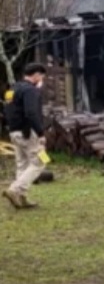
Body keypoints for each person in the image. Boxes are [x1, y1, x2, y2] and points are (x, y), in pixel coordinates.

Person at [4, 63, 48, 209]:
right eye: (41, 76)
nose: (42, 79)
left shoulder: (13, 89)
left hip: (13, 132)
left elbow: (7, 110)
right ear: (36, 75)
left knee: (22, 164)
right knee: (41, 161)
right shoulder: (31, 90)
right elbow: (31, 113)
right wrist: (41, 132)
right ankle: (15, 190)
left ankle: (22, 199)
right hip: (28, 132)